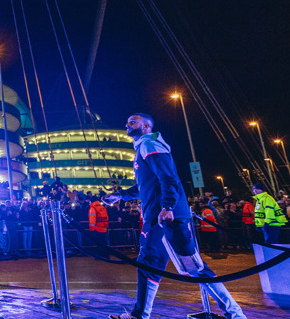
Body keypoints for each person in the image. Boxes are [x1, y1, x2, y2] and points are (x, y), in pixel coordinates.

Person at [105, 113, 245, 319]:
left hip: (164, 217)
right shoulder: (144, 147)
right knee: (179, 266)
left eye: (132, 121)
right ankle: (235, 314)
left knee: (168, 265)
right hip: (162, 216)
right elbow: (145, 185)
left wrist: (168, 206)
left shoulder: (149, 145)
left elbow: (168, 178)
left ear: (146, 126)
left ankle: (235, 314)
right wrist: (119, 195)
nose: (127, 124)